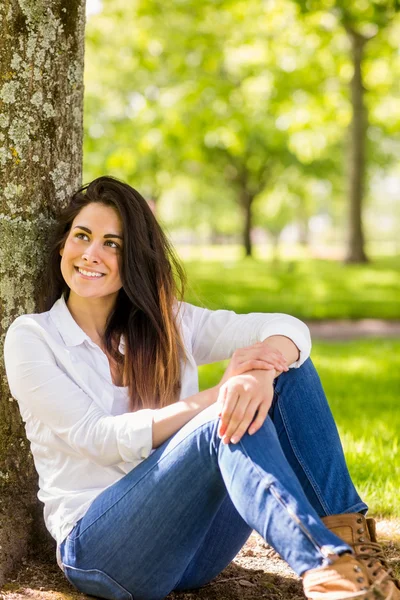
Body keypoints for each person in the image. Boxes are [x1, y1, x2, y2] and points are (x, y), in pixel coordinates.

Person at [3, 176, 398, 600]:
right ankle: (325, 565)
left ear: (133, 257)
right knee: (223, 419)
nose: (91, 253)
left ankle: (354, 550)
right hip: (104, 552)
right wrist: (216, 396)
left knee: (287, 373)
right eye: (82, 236)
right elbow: (96, 439)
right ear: (62, 245)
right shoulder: (33, 337)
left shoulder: (168, 323)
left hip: (194, 553)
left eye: (112, 244)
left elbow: (286, 328)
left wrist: (259, 372)